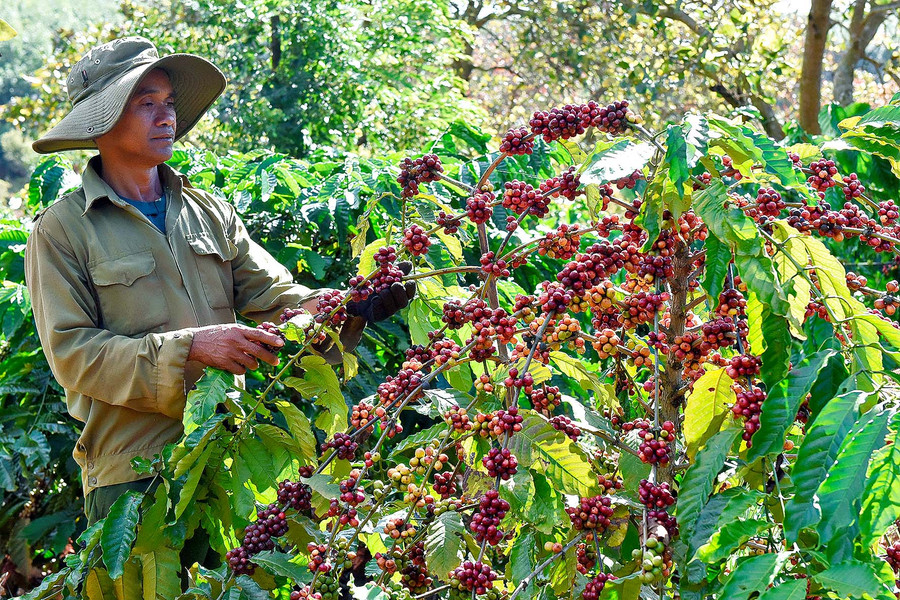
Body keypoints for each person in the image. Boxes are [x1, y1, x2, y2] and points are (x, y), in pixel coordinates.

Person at [24, 37, 414, 530]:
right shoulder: (62, 230)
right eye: (146, 104)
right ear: (102, 122)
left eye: (168, 103)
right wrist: (191, 349)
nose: (167, 117)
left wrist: (344, 307)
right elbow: (73, 355)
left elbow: (277, 301)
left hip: (227, 452)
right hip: (134, 475)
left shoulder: (209, 212)